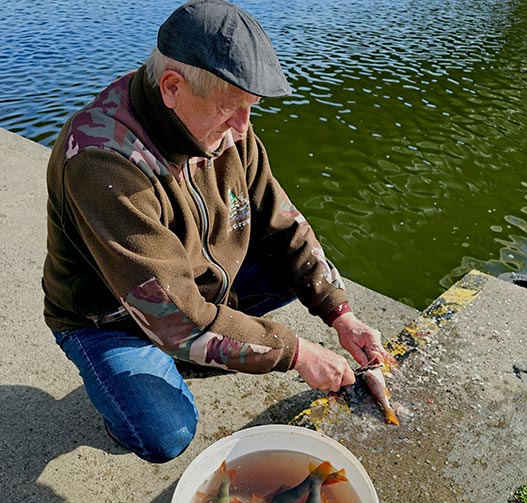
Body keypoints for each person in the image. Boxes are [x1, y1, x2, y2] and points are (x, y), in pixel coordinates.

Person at [42, 0, 392, 463]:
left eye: (251, 109)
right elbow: (175, 318)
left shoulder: (229, 131)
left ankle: (191, 351)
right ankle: (127, 384)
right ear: (172, 87)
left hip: (192, 284)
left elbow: (283, 224)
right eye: (230, 110)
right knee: (163, 433)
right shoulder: (101, 162)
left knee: (290, 272)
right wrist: (296, 352)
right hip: (109, 317)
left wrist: (340, 313)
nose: (243, 130)